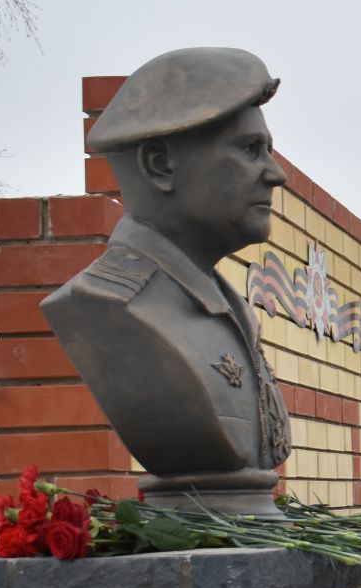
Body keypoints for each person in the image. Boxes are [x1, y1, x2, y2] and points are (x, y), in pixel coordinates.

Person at [42, 47, 292, 512]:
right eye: (250, 150)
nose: (275, 175)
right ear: (160, 165)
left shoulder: (223, 303)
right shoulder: (111, 305)